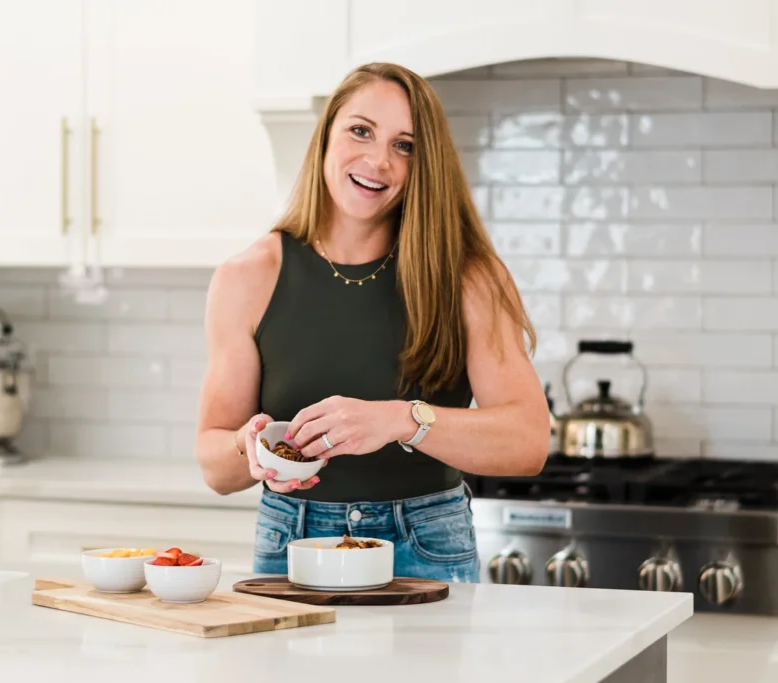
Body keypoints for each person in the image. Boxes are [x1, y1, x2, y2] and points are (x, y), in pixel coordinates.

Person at [194, 62, 550, 583]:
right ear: (326, 135)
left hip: (426, 542)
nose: (379, 161)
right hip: (293, 541)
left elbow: (528, 442)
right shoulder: (248, 277)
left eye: (404, 145)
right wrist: (246, 448)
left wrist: (401, 420)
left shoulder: (469, 277)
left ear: (424, 164)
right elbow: (215, 468)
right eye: (361, 131)